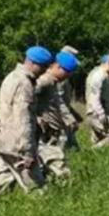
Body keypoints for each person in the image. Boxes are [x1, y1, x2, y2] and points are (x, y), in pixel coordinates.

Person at [0, 46, 53, 197]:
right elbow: (22, 120)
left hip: (4, 140)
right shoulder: (24, 84)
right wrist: (27, 152)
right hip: (17, 144)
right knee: (37, 189)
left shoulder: (12, 77)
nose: (44, 71)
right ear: (32, 63)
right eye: (43, 67)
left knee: (1, 184)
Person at [35, 51, 80, 181]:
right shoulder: (45, 81)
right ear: (57, 67)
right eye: (67, 71)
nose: (68, 75)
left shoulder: (53, 83)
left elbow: (59, 104)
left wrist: (70, 119)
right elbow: (27, 97)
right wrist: (37, 116)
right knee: (60, 168)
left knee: (43, 168)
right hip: (44, 134)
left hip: (52, 133)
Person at [85, 53, 109, 148]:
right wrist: (101, 114)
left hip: (100, 111)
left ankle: (93, 156)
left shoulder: (104, 75)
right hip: (97, 113)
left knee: (99, 139)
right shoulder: (99, 75)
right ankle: (91, 151)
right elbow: (94, 97)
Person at [56, 45, 82, 151]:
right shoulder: (59, 79)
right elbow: (58, 100)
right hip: (59, 116)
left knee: (73, 146)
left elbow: (63, 99)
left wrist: (73, 112)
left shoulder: (63, 78)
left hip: (64, 113)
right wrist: (69, 117)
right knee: (62, 141)